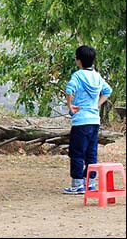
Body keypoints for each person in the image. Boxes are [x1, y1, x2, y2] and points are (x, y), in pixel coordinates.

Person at [63, 45, 112, 194]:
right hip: (94, 120)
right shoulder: (97, 76)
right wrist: (96, 105)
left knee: (77, 152)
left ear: (78, 60)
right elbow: (108, 91)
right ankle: (89, 183)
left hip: (81, 121)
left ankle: (77, 184)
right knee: (91, 153)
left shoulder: (78, 76)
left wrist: (70, 105)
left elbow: (69, 89)